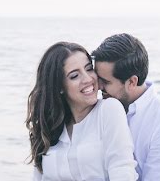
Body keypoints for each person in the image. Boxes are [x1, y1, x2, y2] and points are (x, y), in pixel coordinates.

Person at [26, 41, 138, 181]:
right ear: (59, 86)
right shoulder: (49, 127)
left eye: (89, 69)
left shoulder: (109, 110)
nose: (88, 79)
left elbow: (122, 169)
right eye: (74, 76)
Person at [92, 34, 160, 181]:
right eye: (98, 79)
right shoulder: (100, 108)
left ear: (131, 82)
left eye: (105, 82)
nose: (98, 87)